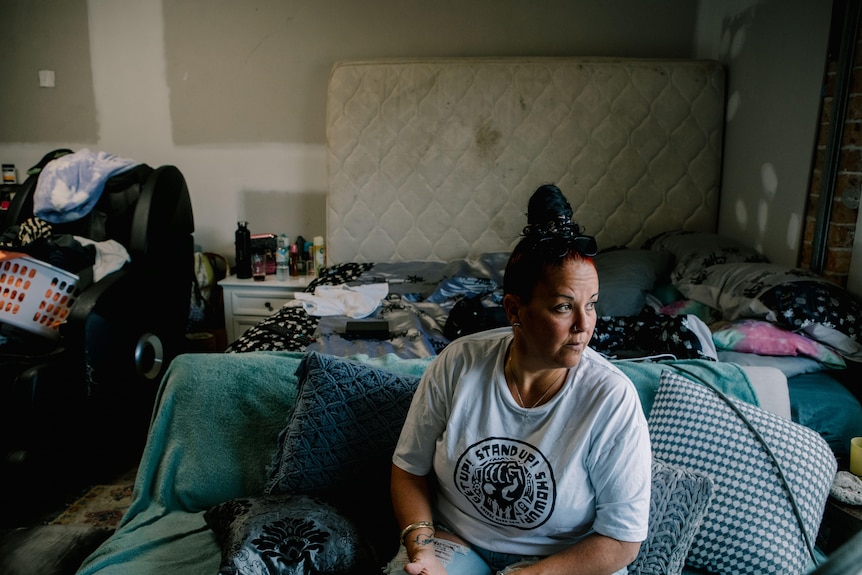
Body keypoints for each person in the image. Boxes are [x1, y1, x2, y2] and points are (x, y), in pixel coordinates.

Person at [386, 184, 651, 575]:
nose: (584, 326)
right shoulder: (459, 363)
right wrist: (422, 551)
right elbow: (409, 469)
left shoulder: (610, 397)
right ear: (515, 308)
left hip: (561, 562)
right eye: (564, 307)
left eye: (591, 305)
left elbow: (623, 539)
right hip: (458, 543)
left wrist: (534, 574)